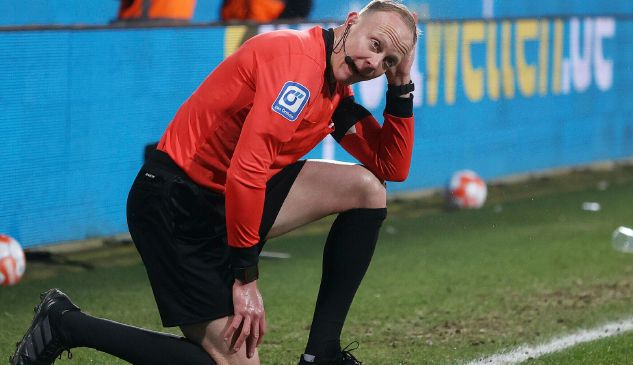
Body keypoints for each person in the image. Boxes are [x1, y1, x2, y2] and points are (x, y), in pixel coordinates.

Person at [11, 1, 419, 364]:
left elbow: (391, 165)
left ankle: (322, 352)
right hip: (174, 205)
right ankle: (66, 324)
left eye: (386, 61)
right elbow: (247, 171)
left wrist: (400, 84)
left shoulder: (334, 91)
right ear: (351, 22)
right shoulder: (297, 67)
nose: (372, 62)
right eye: (375, 44)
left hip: (221, 200)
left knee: (367, 189)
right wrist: (246, 279)